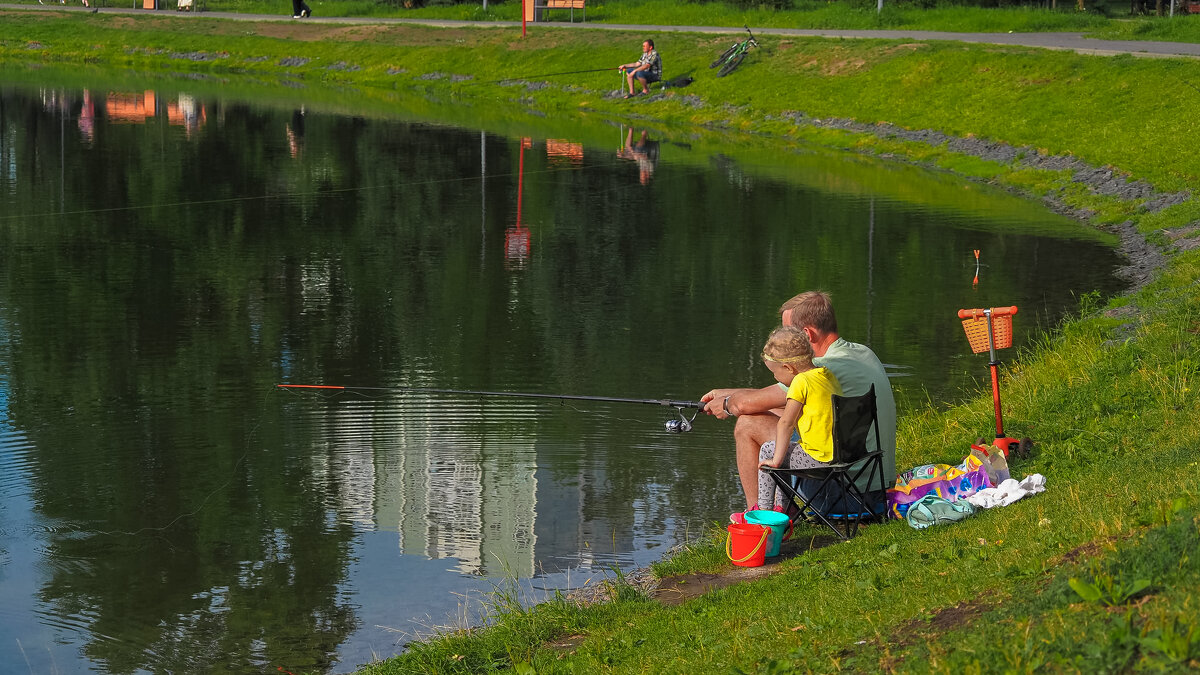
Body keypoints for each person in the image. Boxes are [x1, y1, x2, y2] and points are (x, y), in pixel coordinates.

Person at [701, 291, 897, 518]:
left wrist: (726, 404)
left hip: (839, 493)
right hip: (874, 485)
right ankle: (779, 507)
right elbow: (780, 404)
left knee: (747, 424)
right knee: (773, 414)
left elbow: (746, 406)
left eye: (787, 333)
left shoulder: (821, 368)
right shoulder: (862, 353)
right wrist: (722, 392)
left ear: (806, 334)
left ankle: (759, 516)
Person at [749, 326, 843, 520]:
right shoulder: (826, 374)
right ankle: (783, 509)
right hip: (842, 453)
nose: (775, 378)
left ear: (788, 368)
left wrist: (775, 460)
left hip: (819, 459)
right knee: (781, 453)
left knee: (770, 451)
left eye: (774, 373)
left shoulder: (801, 381)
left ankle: (763, 513)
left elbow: (786, 424)